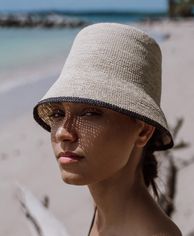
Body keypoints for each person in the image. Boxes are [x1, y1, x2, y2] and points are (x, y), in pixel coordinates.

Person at [33, 22, 182, 236]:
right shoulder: (105, 216)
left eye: (90, 113)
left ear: (143, 132)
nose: (62, 133)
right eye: (58, 114)